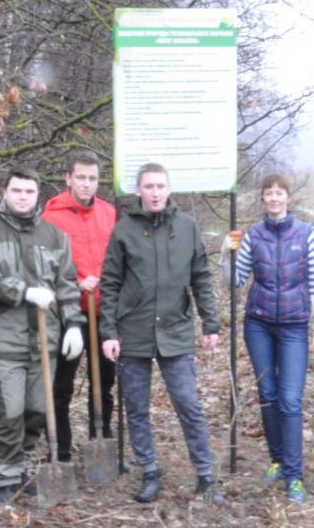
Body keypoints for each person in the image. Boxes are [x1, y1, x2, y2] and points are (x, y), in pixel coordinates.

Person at [99, 162, 224, 505]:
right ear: (138, 191)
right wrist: (108, 331)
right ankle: (150, 471)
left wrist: (210, 322)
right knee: (136, 409)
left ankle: (206, 475)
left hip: (176, 329)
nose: (155, 192)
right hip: (133, 332)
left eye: (160, 186)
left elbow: (201, 277)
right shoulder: (123, 230)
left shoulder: (186, 227)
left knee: (189, 405)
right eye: (148, 186)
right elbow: (109, 284)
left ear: (169, 189)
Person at [0, 166, 84, 504]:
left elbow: (67, 284)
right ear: (5, 191)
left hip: (44, 342)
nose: (22, 197)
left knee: (36, 410)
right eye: (16, 190)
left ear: (37, 196)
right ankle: (5, 475)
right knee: (9, 412)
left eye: (29, 192)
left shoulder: (54, 236)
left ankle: (24, 465)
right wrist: (24, 291)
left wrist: (74, 324)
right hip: (4, 341)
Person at [219, 174, 314, 504]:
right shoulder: (253, 235)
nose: (273, 198)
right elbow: (235, 282)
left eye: (279, 193)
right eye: (268, 193)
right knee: (268, 392)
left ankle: (295, 475)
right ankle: (278, 460)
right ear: (263, 198)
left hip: (295, 326)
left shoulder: (307, 234)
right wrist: (225, 255)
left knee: (291, 399)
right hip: (259, 325)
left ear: (288, 197)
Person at [41, 150, 117, 463]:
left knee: (105, 381)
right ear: (68, 178)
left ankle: (101, 438)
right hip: (68, 313)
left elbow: (117, 258)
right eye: (81, 178)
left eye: (93, 179)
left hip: (104, 310)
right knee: (62, 384)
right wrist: (75, 283)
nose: (87, 184)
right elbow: (45, 267)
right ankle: (60, 449)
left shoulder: (110, 213)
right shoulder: (50, 216)